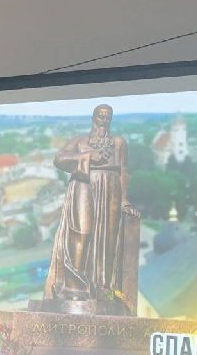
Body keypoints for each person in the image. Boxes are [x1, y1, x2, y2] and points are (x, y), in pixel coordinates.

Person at [43, 104, 139, 310]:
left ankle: (103, 288)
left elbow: (123, 170)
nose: (104, 120)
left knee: (108, 237)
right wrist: (87, 156)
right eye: (100, 116)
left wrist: (125, 200)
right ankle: (74, 286)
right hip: (84, 185)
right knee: (82, 231)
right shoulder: (80, 141)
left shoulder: (119, 143)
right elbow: (59, 158)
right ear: (93, 118)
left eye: (108, 116)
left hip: (111, 187)